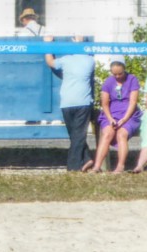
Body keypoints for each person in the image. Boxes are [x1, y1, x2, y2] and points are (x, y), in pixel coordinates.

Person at [45, 37, 96, 172]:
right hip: (82, 102)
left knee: (76, 135)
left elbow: (50, 62)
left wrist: (47, 44)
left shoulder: (66, 60)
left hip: (68, 102)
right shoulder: (90, 60)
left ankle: (73, 167)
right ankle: (86, 159)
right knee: (77, 135)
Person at [93, 59, 142, 173]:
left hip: (129, 115)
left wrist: (124, 119)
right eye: (115, 74)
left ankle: (120, 166)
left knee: (121, 134)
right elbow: (104, 103)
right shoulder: (108, 82)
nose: (118, 76)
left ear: (124, 70)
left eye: (120, 73)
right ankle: (97, 166)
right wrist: (110, 119)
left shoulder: (132, 80)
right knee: (107, 134)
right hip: (111, 113)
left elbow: (133, 102)